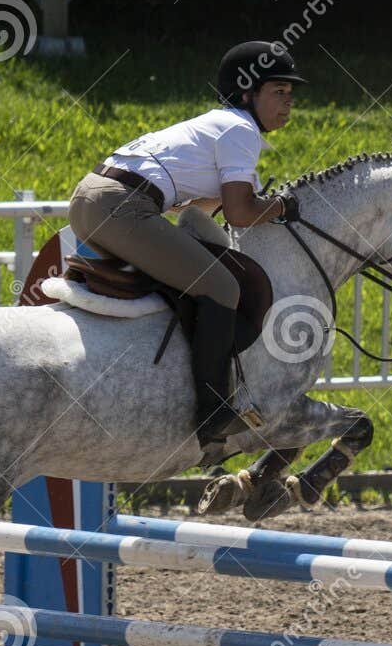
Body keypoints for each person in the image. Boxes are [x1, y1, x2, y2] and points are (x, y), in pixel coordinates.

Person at [68, 40, 304, 449]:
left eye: (290, 94)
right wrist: (281, 206)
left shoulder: (219, 125)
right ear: (246, 94)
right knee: (222, 287)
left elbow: (201, 208)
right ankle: (212, 412)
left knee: (189, 280)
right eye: (278, 92)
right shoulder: (239, 130)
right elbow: (241, 214)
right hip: (122, 205)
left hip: (93, 198)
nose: (288, 103)